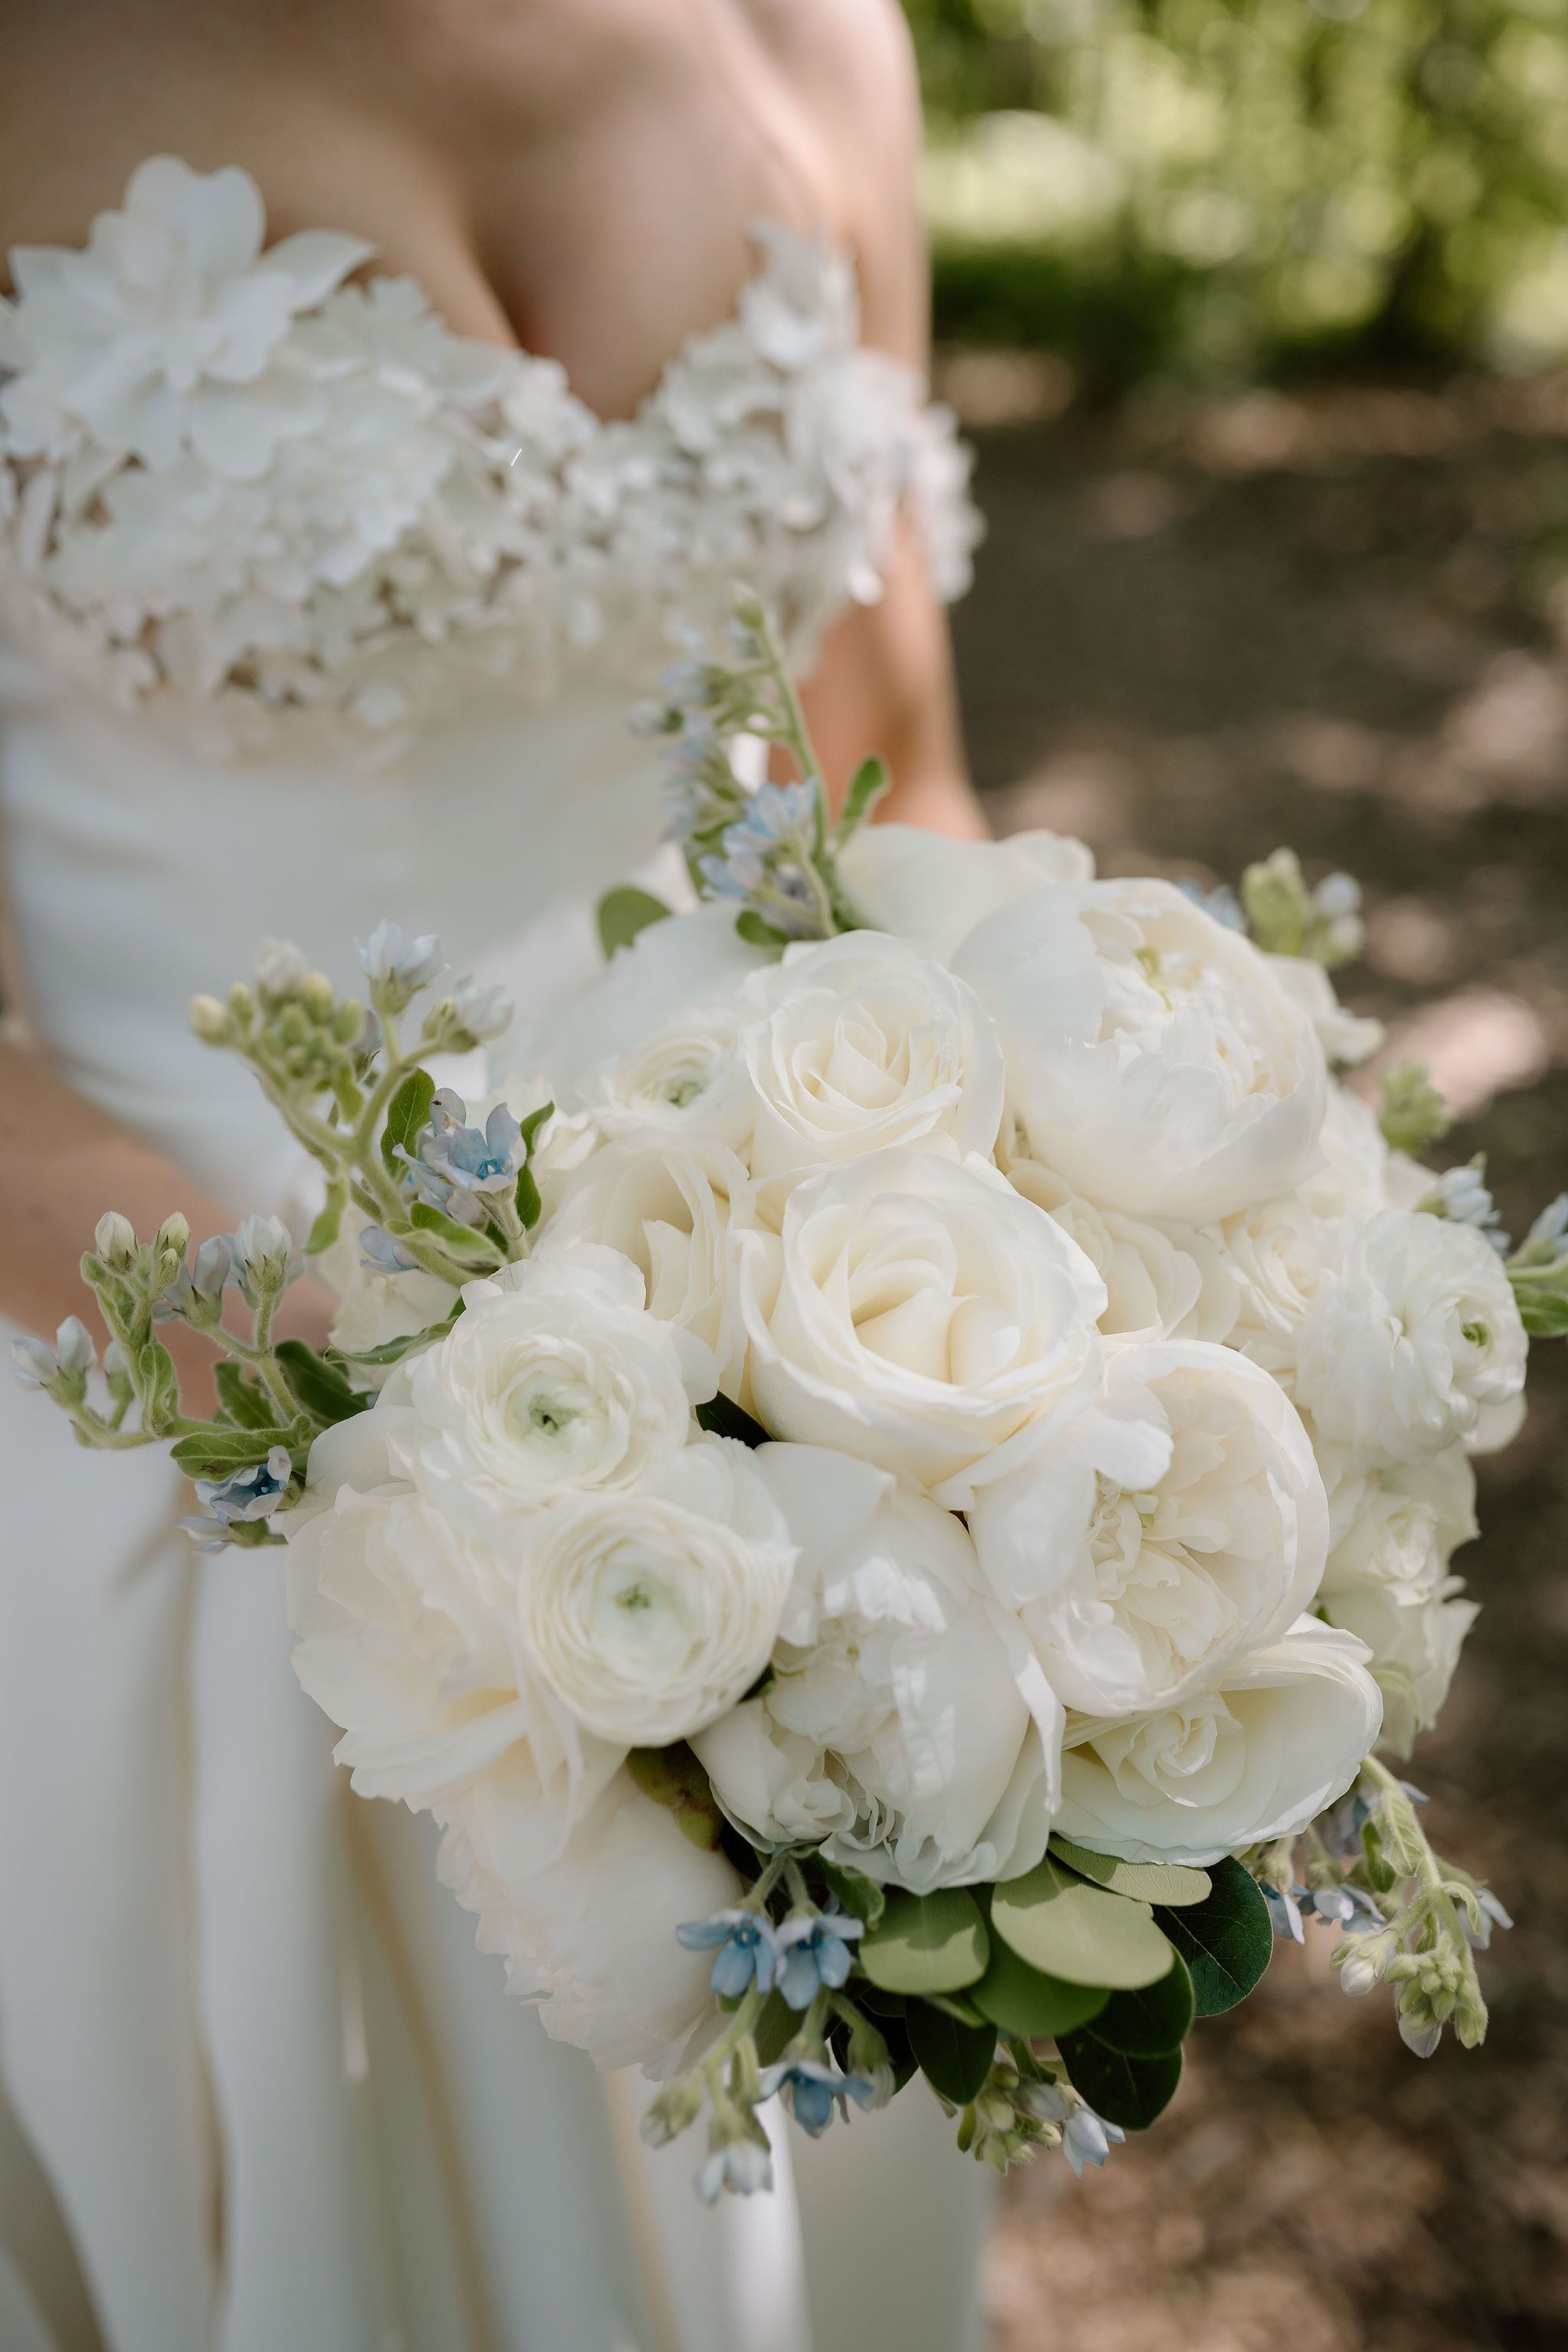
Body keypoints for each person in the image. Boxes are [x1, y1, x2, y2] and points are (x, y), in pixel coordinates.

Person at [0, 4, 992, 2349]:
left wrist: (1009, 1290)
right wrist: (411, 1439)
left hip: (791, 1370)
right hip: (156, 1393)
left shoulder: (810, 40)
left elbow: (891, 774)